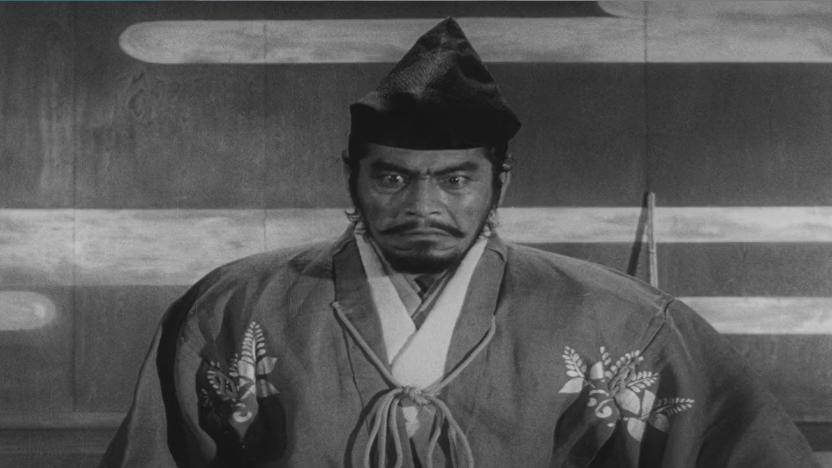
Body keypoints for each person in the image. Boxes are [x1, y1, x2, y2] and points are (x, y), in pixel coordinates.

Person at [101, 18, 818, 468]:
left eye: (454, 180)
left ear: (500, 182)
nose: (422, 206)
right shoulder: (236, 305)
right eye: (391, 177)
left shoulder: (619, 319)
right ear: (350, 176)